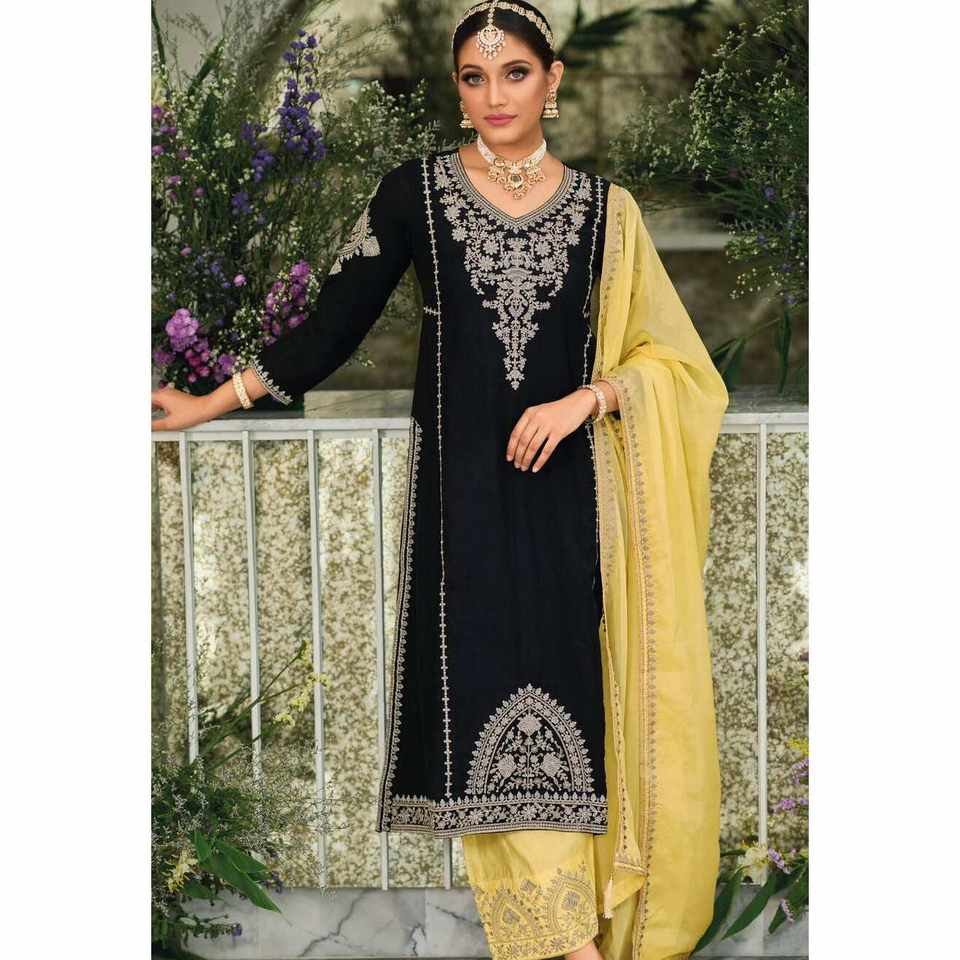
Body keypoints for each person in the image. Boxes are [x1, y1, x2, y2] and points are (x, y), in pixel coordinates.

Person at [151, 3, 729, 958]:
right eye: (474, 76)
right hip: (464, 510)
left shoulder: (607, 213)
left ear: (553, 80)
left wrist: (588, 400)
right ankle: (570, 949)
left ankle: (582, 940)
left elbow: (672, 363)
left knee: (575, 704)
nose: (495, 94)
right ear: (458, 90)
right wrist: (213, 400)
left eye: (515, 73)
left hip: (574, 504)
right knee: (486, 708)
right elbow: (332, 324)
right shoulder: (414, 194)